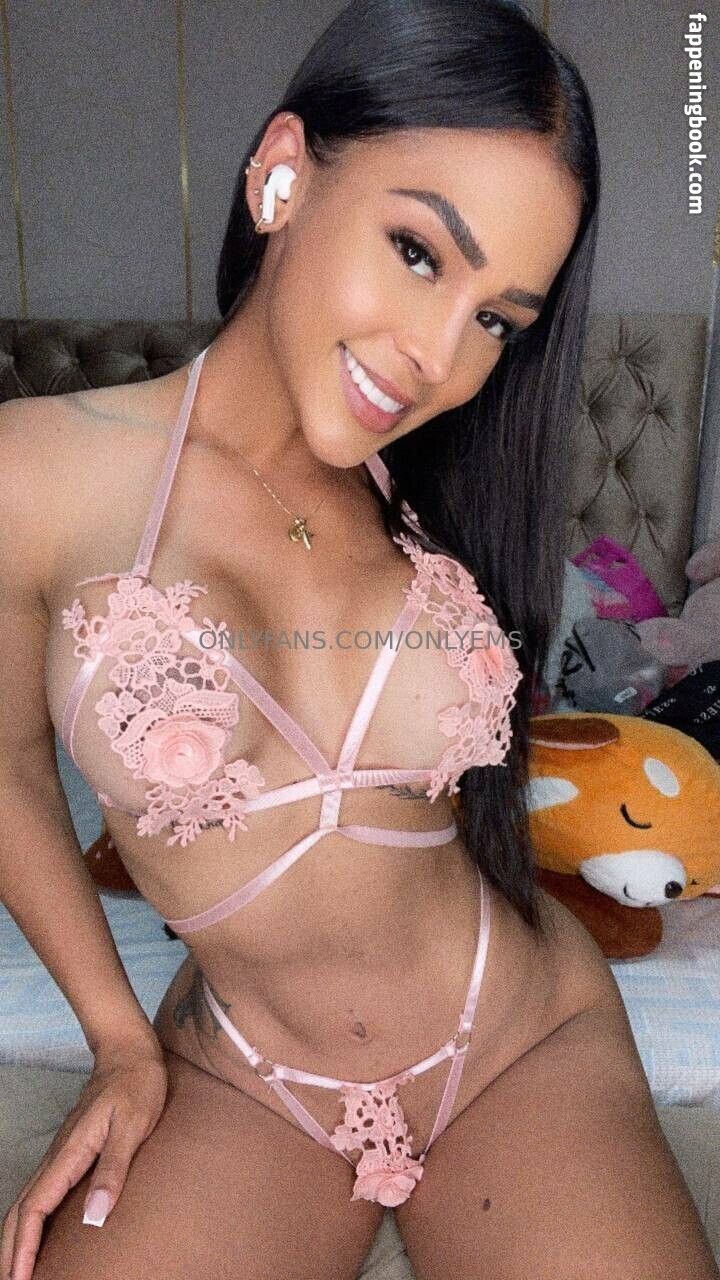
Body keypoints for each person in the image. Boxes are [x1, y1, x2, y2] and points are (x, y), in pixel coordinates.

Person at [1, 0, 718, 1276]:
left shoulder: (441, 497)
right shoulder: (37, 471)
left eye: (498, 320)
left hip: (517, 1033)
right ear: (283, 172)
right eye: (419, 251)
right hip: (248, 1071)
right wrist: (115, 1035)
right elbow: (6, 761)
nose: (440, 356)